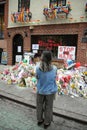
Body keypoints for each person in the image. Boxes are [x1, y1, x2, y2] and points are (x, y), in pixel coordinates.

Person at [36, 50, 58, 129]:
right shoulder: (54, 68)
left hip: (40, 90)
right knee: (48, 107)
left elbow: (37, 77)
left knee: (39, 106)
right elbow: (54, 77)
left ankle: (39, 120)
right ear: (50, 58)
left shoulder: (38, 68)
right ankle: (47, 122)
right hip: (50, 91)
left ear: (42, 58)